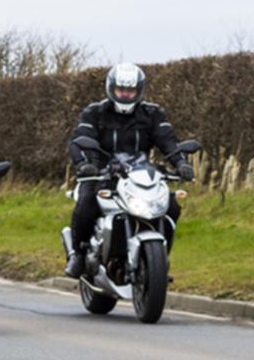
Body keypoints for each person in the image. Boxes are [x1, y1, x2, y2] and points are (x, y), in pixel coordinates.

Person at [64, 62, 194, 277]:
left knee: (171, 206)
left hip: (140, 171)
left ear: (139, 90)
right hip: (101, 172)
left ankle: (160, 260)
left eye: (130, 90)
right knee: (87, 201)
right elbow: (79, 140)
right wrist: (84, 164)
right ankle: (77, 254)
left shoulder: (152, 114)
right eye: (121, 90)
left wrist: (181, 163)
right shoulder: (95, 112)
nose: (125, 95)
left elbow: (168, 140)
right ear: (111, 88)